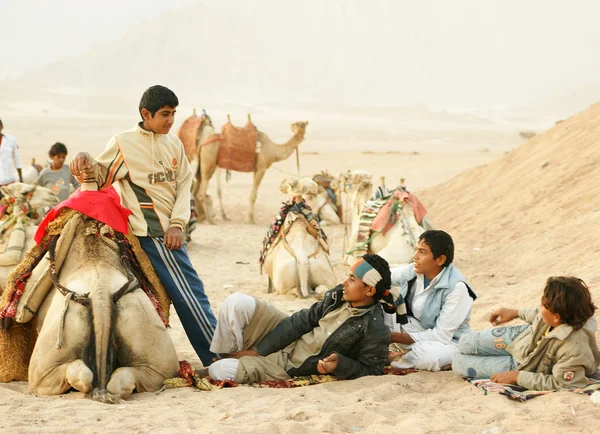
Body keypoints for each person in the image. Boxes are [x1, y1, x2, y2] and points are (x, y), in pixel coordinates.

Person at [69, 85, 217, 366]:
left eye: (173, 113)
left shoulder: (174, 144)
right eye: (164, 114)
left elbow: (185, 184)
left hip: (171, 233)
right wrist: (84, 158)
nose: (171, 120)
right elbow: (99, 175)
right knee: (191, 294)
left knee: (194, 291)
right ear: (146, 114)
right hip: (151, 235)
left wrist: (178, 224)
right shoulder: (124, 143)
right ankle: (217, 356)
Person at [206, 254, 395, 383]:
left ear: (369, 290)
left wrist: (340, 364)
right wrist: (258, 350)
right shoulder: (337, 296)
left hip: (292, 364)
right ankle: (223, 354)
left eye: (352, 279)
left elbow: (372, 370)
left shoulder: (375, 327)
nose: (344, 282)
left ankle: (223, 363)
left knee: (219, 372)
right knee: (237, 302)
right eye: (348, 276)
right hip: (288, 339)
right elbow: (300, 322)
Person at [452, 276, 600, 390]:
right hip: (523, 338)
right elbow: (539, 314)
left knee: (458, 363)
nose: (540, 307)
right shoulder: (566, 312)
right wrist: (516, 313)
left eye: (544, 306)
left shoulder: (574, 348)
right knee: (465, 341)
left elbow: (565, 384)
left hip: (524, 365)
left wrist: (518, 377)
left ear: (557, 317)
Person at [386, 230, 477, 371]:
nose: (414, 256)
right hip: (414, 329)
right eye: (416, 250)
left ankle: (392, 359)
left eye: (422, 252)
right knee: (374, 304)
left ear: (440, 259)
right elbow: (385, 277)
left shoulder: (457, 288)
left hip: (445, 342)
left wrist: (395, 337)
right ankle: (400, 353)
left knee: (429, 358)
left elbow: (441, 335)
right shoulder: (414, 271)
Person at [0, 116, 23, 198]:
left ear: (1, 126)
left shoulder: (11, 140)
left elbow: (18, 160)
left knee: (9, 208)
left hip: (9, 182)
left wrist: (21, 180)